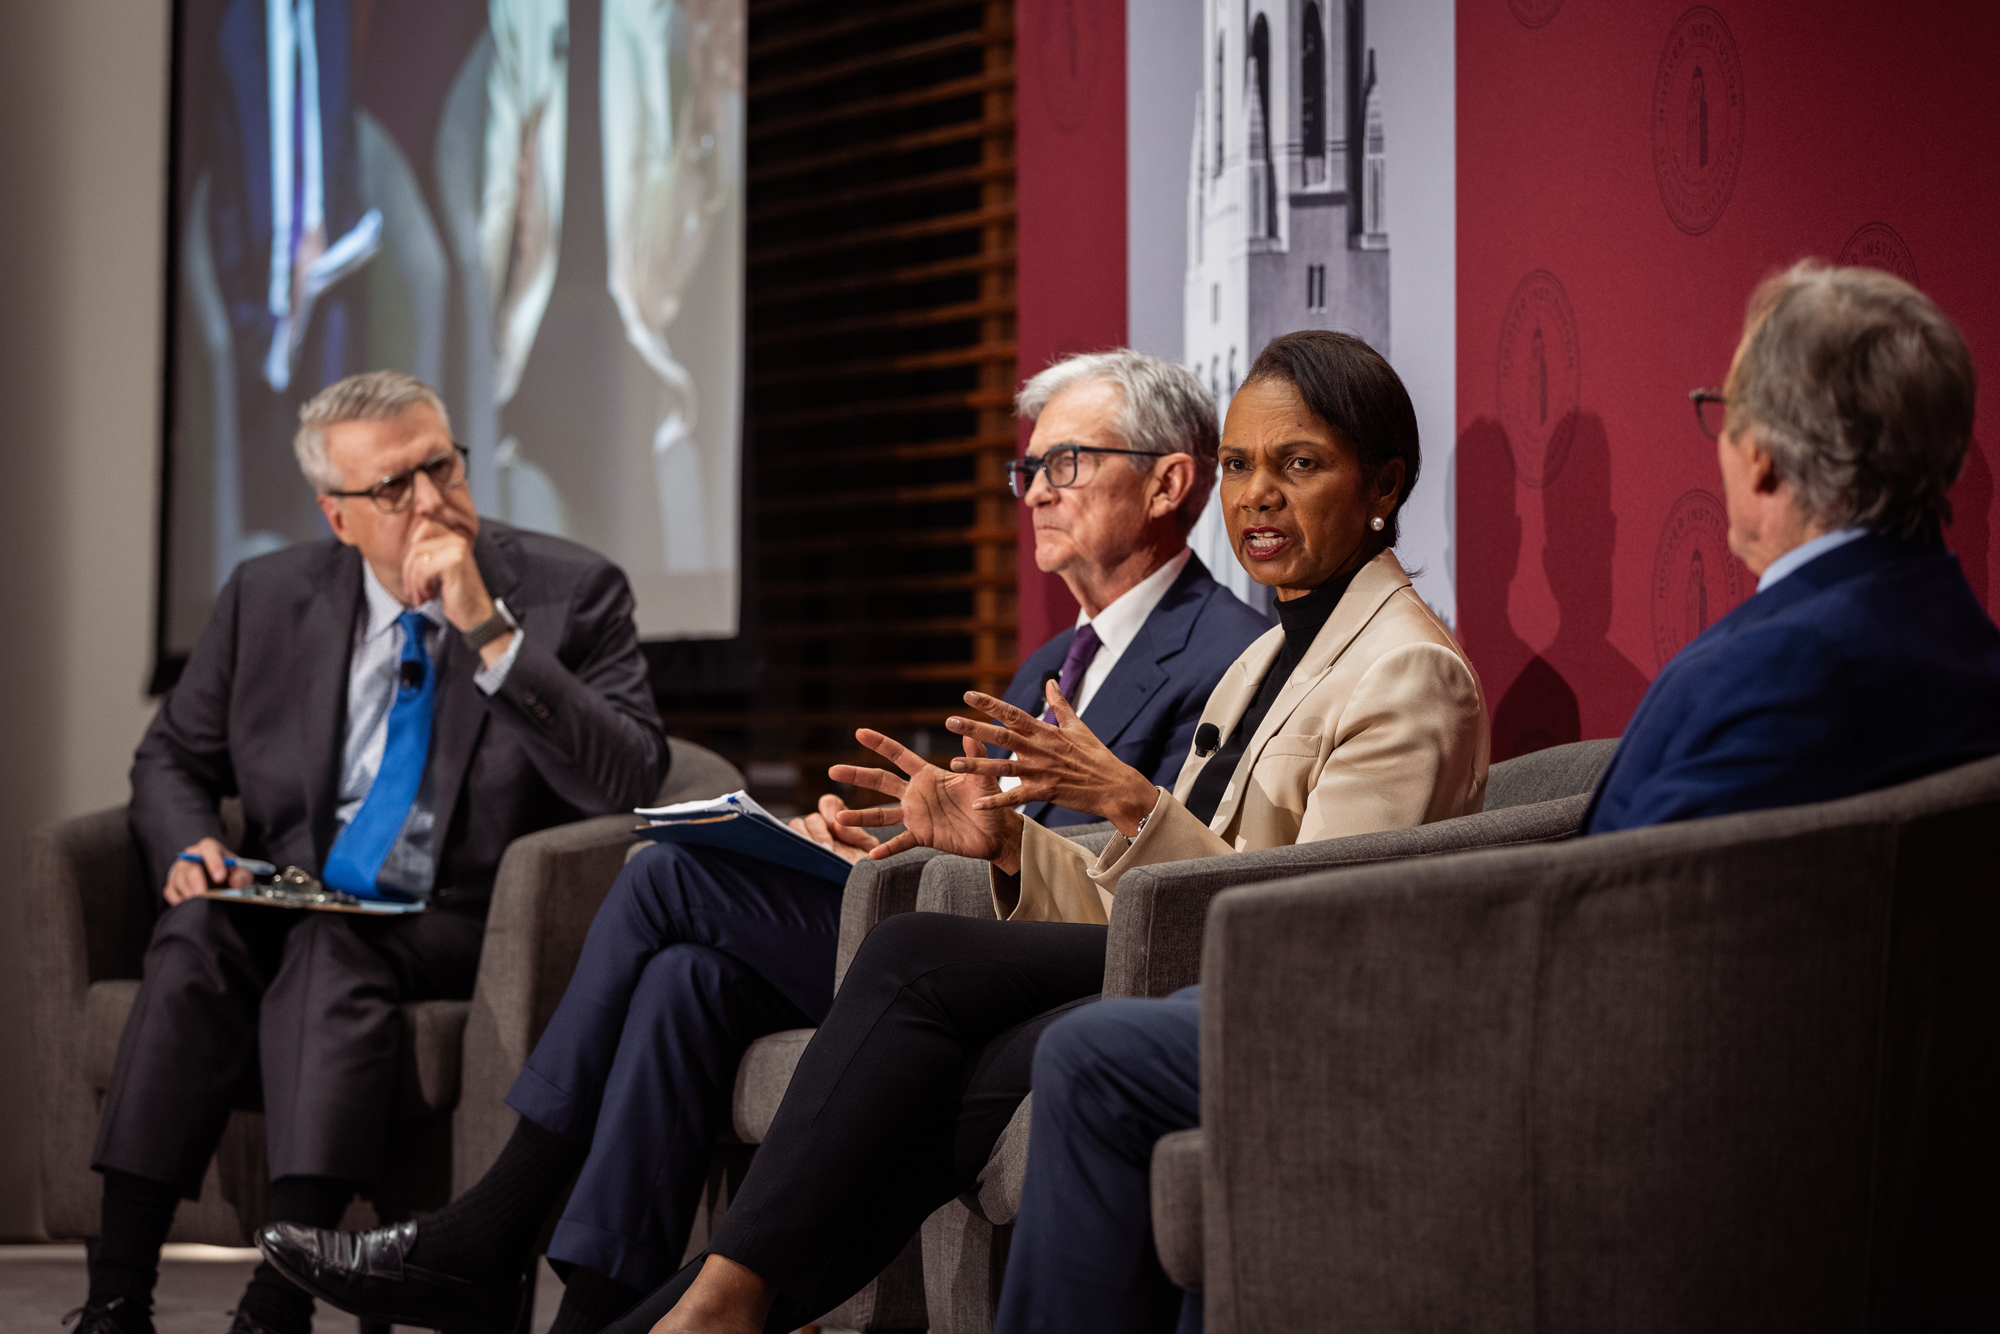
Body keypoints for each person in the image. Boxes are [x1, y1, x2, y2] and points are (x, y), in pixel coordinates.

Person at [994, 261, 2000, 1334]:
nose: (1255, 493)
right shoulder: (1962, 648)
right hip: (1845, 1091)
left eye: (1720, 415)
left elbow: (1633, 927)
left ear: (1758, 455)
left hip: (1560, 1047)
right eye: (1239, 464)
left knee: (1089, 1053)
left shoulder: (1764, 668)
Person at [253, 351, 1270, 1334]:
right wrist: (879, 841)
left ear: (1167, 482)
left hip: (1032, 965)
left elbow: (1148, 878)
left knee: (666, 881)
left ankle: (488, 1230)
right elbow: (1000, 839)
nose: (1034, 491)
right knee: (686, 978)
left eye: (1064, 464)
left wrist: (972, 850)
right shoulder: (1059, 652)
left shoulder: (1219, 649)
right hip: (965, 932)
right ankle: (595, 1308)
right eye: (1028, 468)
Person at [599, 329, 1488, 1334]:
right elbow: (1136, 896)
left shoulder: (1406, 670)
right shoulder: (1269, 658)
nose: (1255, 495)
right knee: (919, 1093)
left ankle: (711, 1307)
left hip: (1267, 1003)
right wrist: (1012, 842)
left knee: (915, 957)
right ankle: (710, 1309)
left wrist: (1132, 804)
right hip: (1179, 966)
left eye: (1298, 464)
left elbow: (1306, 924)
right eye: (1239, 464)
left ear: (1383, 484)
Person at [69, 371, 669, 1334]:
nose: (431, 500)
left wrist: (489, 631)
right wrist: (192, 846)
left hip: (453, 913)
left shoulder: (571, 592)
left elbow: (632, 775)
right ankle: (115, 1295)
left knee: (329, 950)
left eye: (441, 465)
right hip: (298, 885)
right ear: (338, 516)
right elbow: (175, 755)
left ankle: (284, 1293)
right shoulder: (267, 594)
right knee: (191, 940)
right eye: (394, 487)